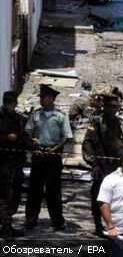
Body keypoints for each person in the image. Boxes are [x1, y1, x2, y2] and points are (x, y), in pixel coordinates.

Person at [25, 84, 73, 231]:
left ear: (52, 99)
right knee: (34, 188)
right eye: (41, 97)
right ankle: (31, 218)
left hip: (54, 156)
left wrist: (54, 149)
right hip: (39, 155)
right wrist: (34, 141)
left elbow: (66, 136)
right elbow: (28, 131)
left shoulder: (60, 116)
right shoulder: (36, 115)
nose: (41, 100)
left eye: (44, 97)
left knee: (53, 189)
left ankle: (57, 220)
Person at [83, 94, 123, 237]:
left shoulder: (119, 123)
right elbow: (88, 143)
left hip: (116, 166)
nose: (111, 110)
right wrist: (94, 164)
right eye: (109, 107)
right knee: (98, 196)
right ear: (104, 107)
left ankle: (114, 225)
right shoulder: (96, 121)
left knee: (117, 197)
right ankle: (98, 226)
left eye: (114, 107)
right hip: (101, 166)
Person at [0, 91, 31, 241]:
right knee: (4, 195)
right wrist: (6, 137)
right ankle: (6, 227)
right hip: (3, 163)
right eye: (6, 102)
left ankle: (8, 225)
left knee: (15, 194)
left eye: (10, 102)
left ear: (15, 103)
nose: (8, 105)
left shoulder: (19, 119)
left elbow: (24, 136)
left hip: (16, 163)